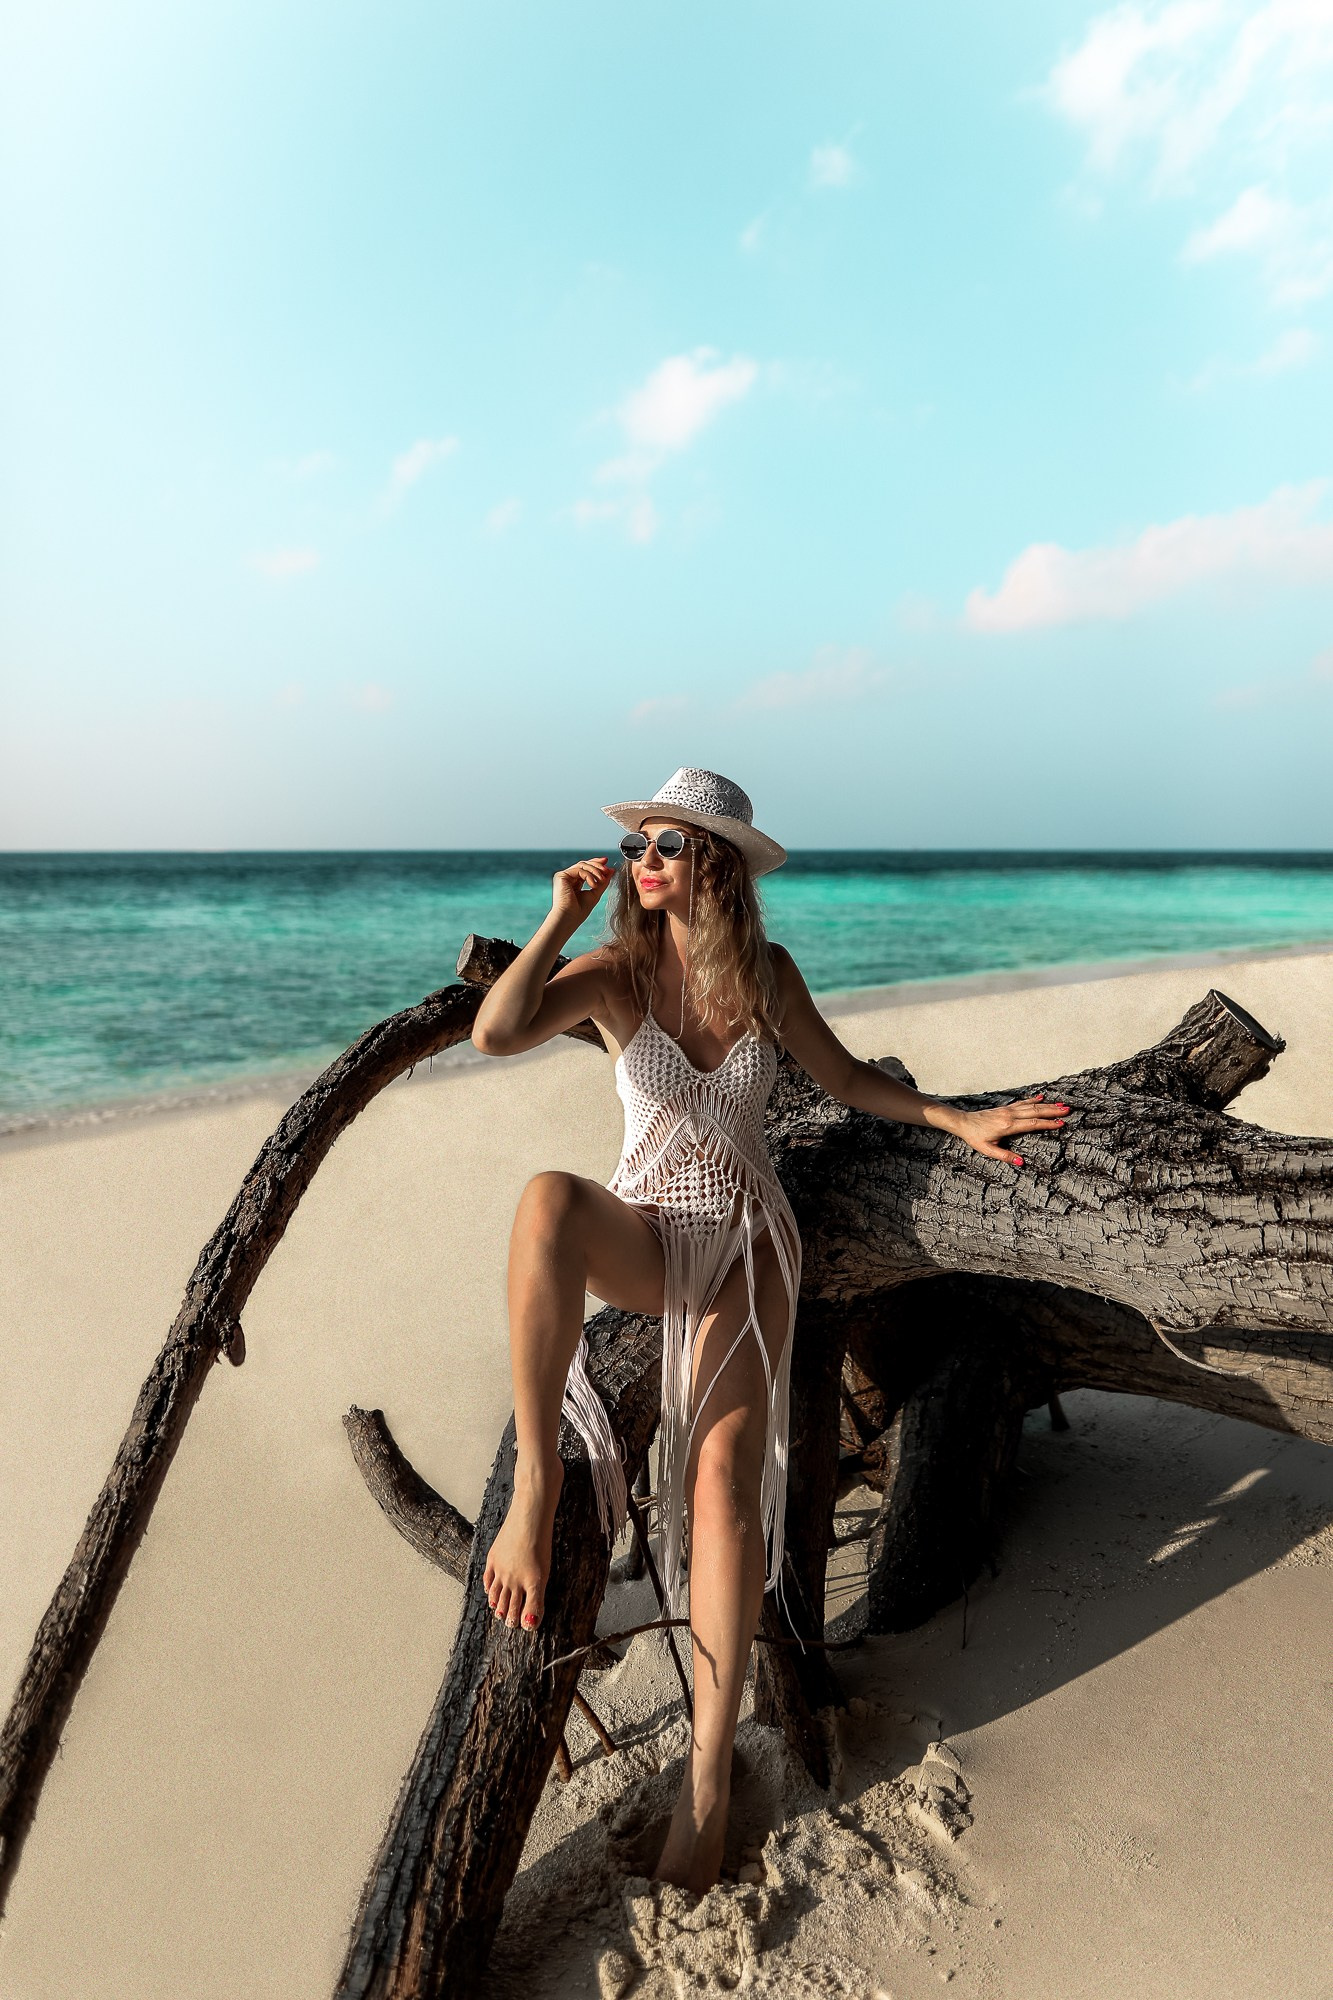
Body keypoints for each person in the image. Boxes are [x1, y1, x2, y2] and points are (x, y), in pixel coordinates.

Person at [472, 768, 1067, 1891]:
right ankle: (537, 1492)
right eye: (639, 843)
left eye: (669, 843)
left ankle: (706, 1786)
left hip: (746, 1237)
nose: (646, 860)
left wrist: (957, 1117)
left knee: (721, 1482)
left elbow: (843, 1079)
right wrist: (556, 917)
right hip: (646, 1228)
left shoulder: (766, 974)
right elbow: (494, 1032)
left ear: (719, 864)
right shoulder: (611, 972)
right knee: (546, 1199)